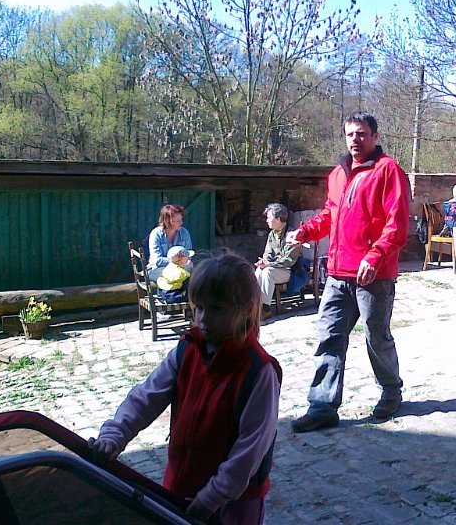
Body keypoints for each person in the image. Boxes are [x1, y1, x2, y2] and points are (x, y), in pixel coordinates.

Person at [88, 251, 281, 525]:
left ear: (247, 308)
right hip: (179, 487)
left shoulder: (258, 371)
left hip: (234, 506)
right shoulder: (186, 351)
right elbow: (146, 397)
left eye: (217, 309)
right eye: (199, 307)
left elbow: (250, 448)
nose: (203, 318)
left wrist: (212, 497)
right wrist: (115, 433)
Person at [285, 112, 409, 433]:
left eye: (362, 133)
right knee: (329, 336)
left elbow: (397, 224)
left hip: (374, 276)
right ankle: (322, 406)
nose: (355, 139)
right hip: (338, 274)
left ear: (374, 136)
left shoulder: (388, 170)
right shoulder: (338, 173)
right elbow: (330, 214)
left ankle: (391, 391)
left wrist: (375, 256)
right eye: (350, 133)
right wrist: (305, 232)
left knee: (376, 337)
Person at [255, 203, 303, 320]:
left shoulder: (292, 234)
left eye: (269, 218)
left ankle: (265, 310)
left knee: (268, 272)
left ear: (277, 219)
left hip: (290, 271)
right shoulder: (272, 234)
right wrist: (264, 262)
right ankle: (255, 306)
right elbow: (268, 253)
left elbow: (288, 261)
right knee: (259, 270)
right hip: (275, 268)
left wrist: (269, 264)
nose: (267, 220)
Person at [147, 204, 193, 280]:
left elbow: (189, 254)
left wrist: (186, 261)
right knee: (175, 276)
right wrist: (176, 260)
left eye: (181, 219)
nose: (181, 222)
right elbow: (157, 260)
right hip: (158, 269)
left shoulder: (184, 233)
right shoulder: (156, 234)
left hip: (181, 268)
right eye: (178, 221)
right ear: (167, 221)